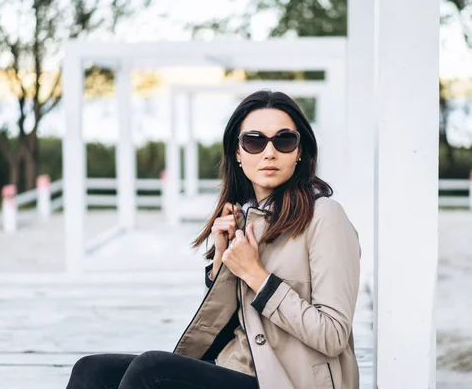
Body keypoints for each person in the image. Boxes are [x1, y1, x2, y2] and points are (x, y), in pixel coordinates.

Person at [66, 90, 361, 389]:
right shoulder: (247, 218)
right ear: (238, 153)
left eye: (284, 141)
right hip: (237, 368)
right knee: (92, 370)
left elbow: (333, 335)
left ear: (300, 151)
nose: (269, 152)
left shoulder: (325, 217)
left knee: (152, 369)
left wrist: (256, 275)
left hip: (289, 381)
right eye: (255, 141)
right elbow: (233, 327)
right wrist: (222, 263)